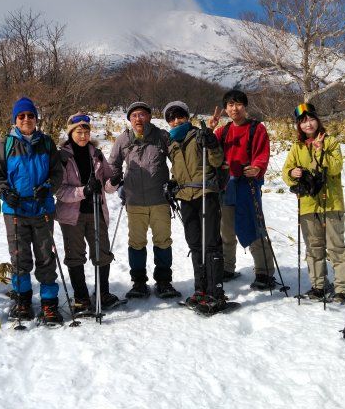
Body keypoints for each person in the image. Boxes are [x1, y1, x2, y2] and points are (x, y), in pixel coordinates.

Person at [0, 97, 64, 325]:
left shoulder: (46, 143)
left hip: (42, 208)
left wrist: (48, 188)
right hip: (15, 210)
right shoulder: (5, 144)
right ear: (15, 120)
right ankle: (22, 300)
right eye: (21, 116)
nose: (26, 119)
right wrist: (6, 193)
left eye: (30, 116)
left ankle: (49, 303)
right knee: (19, 257)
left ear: (36, 118)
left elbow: (57, 173)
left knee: (45, 256)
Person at [108, 101, 180, 299]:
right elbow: (113, 164)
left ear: (149, 116)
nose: (138, 119)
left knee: (163, 241)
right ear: (130, 119)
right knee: (137, 243)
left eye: (142, 115)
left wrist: (175, 181)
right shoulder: (124, 139)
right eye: (134, 116)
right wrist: (116, 182)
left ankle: (164, 281)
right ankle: (139, 282)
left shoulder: (162, 136)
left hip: (160, 199)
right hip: (134, 200)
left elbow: (179, 160)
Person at [282, 103, 345, 302]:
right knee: (314, 248)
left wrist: (321, 151)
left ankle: (343, 289)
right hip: (308, 205)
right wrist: (292, 173)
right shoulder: (297, 146)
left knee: (336, 247)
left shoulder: (330, 143)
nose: (308, 124)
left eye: (311, 119)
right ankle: (318, 286)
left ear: (318, 120)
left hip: (331, 204)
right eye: (303, 122)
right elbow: (286, 173)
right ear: (298, 126)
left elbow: (336, 167)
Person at [207, 89, 275, 290]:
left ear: (245, 106)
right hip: (226, 186)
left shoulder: (257, 128)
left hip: (248, 185)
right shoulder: (223, 131)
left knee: (253, 227)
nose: (234, 108)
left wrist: (257, 168)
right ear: (226, 109)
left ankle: (264, 271)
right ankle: (227, 267)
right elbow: (210, 150)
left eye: (238, 104)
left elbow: (262, 154)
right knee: (226, 230)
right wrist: (210, 130)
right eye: (230, 105)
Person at [163, 101, 227, 312]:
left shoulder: (200, 135)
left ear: (187, 116)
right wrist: (173, 183)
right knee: (194, 244)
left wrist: (212, 143)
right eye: (171, 118)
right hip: (185, 197)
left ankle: (215, 291)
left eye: (179, 116)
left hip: (205, 193)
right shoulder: (172, 144)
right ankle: (200, 288)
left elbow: (218, 161)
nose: (175, 120)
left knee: (210, 243)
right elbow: (178, 171)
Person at [55, 112, 121, 314]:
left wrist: (114, 182)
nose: (83, 136)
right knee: (75, 256)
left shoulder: (97, 154)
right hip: (71, 215)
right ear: (71, 133)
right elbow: (59, 190)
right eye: (78, 132)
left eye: (86, 132)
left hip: (95, 211)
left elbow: (107, 186)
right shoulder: (62, 157)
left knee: (102, 254)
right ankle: (81, 298)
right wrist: (84, 191)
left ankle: (103, 294)